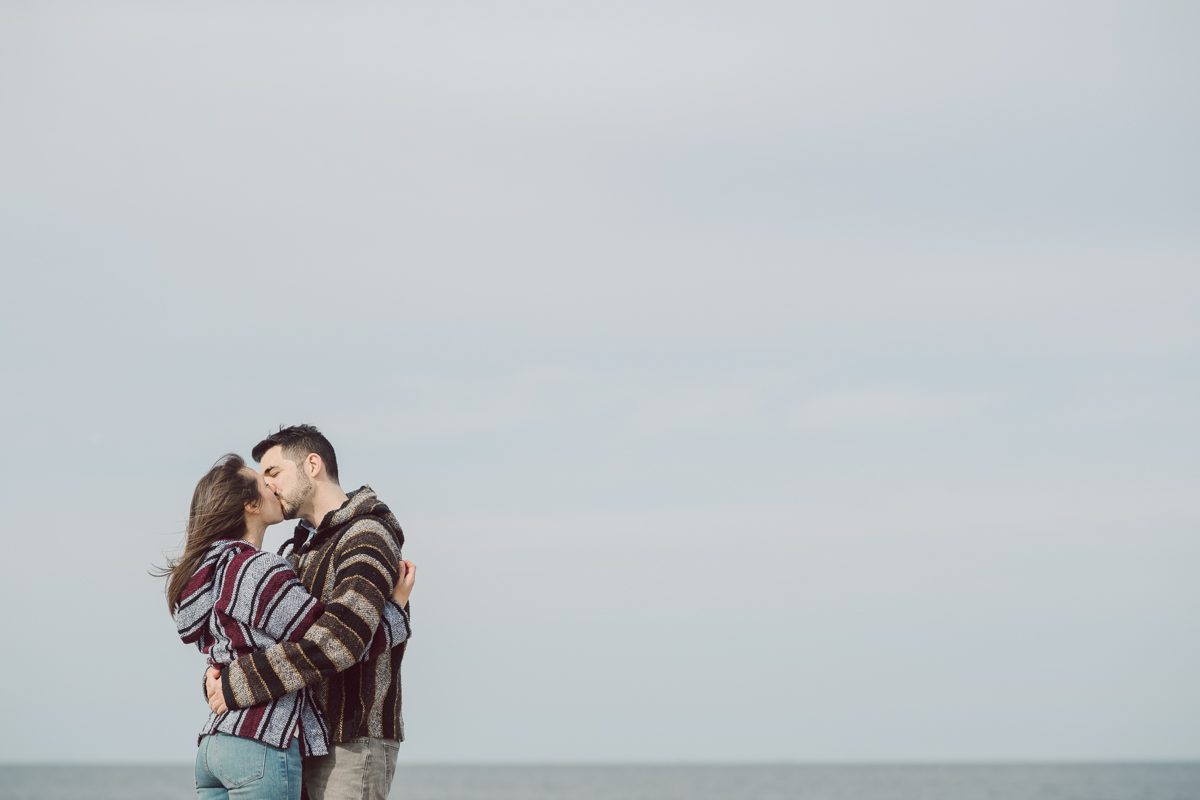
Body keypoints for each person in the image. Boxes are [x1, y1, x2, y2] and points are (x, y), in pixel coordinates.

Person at [165, 454, 416, 799]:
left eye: (274, 472)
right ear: (250, 504)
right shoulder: (257, 569)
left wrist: (225, 679)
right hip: (262, 738)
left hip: (217, 742)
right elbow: (336, 640)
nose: (272, 485)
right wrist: (396, 613)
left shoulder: (209, 573)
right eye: (264, 479)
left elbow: (235, 647)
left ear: (313, 465)